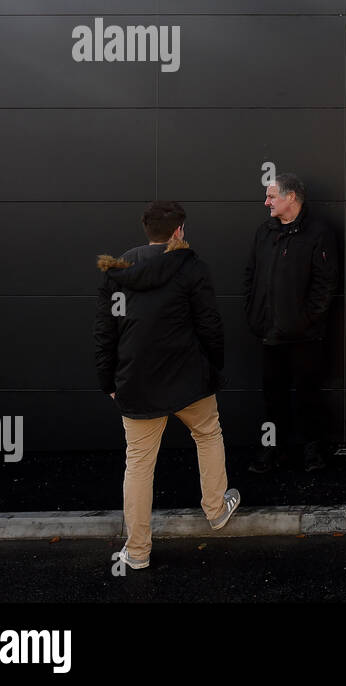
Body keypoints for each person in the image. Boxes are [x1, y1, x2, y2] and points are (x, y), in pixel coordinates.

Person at [94, 200, 240, 570]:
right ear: (178, 231)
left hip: (137, 383)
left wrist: (107, 380)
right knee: (208, 435)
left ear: (147, 231)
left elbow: (105, 331)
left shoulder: (119, 270)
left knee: (139, 465)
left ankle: (138, 553)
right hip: (189, 379)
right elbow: (210, 325)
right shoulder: (191, 267)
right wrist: (214, 367)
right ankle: (216, 510)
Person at [244, 173, 339, 473]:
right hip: (270, 333)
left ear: (291, 198)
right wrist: (255, 313)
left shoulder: (318, 233)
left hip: (304, 336)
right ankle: (273, 450)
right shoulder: (264, 232)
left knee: (308, 396)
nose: (266, 202)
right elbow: (251, 274)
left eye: (272, 197)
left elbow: (325, 283)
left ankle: (313, 452)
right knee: (273, 398)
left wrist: (306, 319)